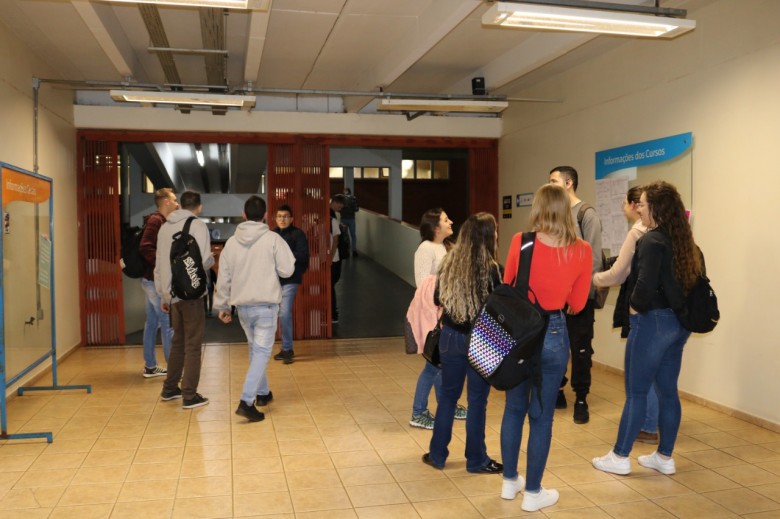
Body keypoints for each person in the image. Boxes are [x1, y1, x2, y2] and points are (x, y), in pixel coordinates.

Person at [592, 181, 700, 476]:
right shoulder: (683, 240)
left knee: (636, 392)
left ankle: (619, 456)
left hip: (652, 324)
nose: (637, 209)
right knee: (668, 392)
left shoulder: (651, 241)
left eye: (641, 204)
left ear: (656, 207)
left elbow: (643, 287)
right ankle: (664, 457)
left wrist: (633, 308)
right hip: (678, 325)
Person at [499, 184, 592, 512]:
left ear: (538, 208)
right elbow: (578, 303)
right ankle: (533, 492)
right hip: (552, 332)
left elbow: (508, 285)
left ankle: (509, 481)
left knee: (513, 409)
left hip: (519, 333)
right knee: (541, 417)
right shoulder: (581, 250)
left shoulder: (520, 242)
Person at [422, 212, 503, 474]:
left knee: (448, 396)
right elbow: (498, 307)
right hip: (481, 340)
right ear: (488, 236)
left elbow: (437, 299)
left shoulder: (448, 262)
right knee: (477, 401)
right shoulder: (491, 268)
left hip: (450, 337)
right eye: (495, 230)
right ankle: (476, 460)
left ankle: (437, 455)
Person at [214, 196, 295, 422]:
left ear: (244, 215)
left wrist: (222, 305)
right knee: (261, 352)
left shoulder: (231, 243)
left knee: (254, 350)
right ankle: (246, 401)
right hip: (266, 307)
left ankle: (262, 392)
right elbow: (288, 270)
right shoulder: (273, 239)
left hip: (243, 308)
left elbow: (224, 277)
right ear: (266, 216)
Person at [593, 186, 659, 444]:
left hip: (642, 311)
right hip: (665, 314)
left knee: (639, 374)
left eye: (636, 204)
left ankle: (647, 426)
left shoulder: (638, 233)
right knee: (658, 373)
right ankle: (654, 423)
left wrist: (593, 279)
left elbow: (619, 273)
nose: (630, 208)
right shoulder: (669, 231)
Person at [548, 165, 603, 424]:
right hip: (554, 299)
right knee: (554, 346)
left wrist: (579, 297)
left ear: (568, 183)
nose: (549, 186)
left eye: (553, 181)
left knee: (580, 350)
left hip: (579, 300)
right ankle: (558, 390)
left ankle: (581, 398)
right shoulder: (553, 214)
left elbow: (592, 261)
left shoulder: (586, 214)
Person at [409, 208, 467, 430]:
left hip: (444, 313)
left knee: (440, 364)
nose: (450, 222)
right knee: (433, 366)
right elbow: (423, 284)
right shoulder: (425, 248)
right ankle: (418, 412)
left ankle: (446, 405)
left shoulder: (445, 246)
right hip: (431, 315)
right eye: (445, 219)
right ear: (435, 227)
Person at [155, 190, 214, 409]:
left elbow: (159, 265)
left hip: (172, 295)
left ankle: (170, 388)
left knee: (178, 342)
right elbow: (205, 261)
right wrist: (211, 260)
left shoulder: (164, 227)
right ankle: (189, 394)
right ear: (199, 206)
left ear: (180, 204)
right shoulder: (197, 225)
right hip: (192, 294)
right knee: (193, 345)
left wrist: (163, 294)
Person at [138, 187, 177, 378]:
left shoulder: (162, 221)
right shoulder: (156, 221)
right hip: (154, 281)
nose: (177, 203)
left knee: (152, 323)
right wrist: (163, 265)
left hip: (151, 279)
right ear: (166, 202)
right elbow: (145, 247)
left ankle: (150, 366)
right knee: (167, 322)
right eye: (174, 200)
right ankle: (173, 370)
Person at [272, 204, 310, 364]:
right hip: (272, 280)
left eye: (286, 216)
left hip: (291, 279)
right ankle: (280, 348)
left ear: (291, 218)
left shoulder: (298, 234)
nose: (282, 219)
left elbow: (303, 256)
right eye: (279, 216)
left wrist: (284, 253)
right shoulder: (272, 234)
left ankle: (287, 348)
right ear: (275, 218)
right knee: (271, 314)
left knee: (284, 312)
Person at [329, 195, 345, 323]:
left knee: (330, 285)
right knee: (330, 285)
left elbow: (335, 241)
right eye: (339, 205)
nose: (340, 207)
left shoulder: (332, 218)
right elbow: (335, 241)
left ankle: (333, 312)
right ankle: (333, 312)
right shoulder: (332, 218)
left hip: (332, 258)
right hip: (333, 258)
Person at [340, 187, 359, 257]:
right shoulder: (353, 198)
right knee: (353, 235)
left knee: (345, 235)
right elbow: (356, 209)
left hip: (343, 219)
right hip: (351, 219)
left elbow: (339, 208)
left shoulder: (341, 198)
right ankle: (354, 250)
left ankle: (346, 250)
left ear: (344, 191)